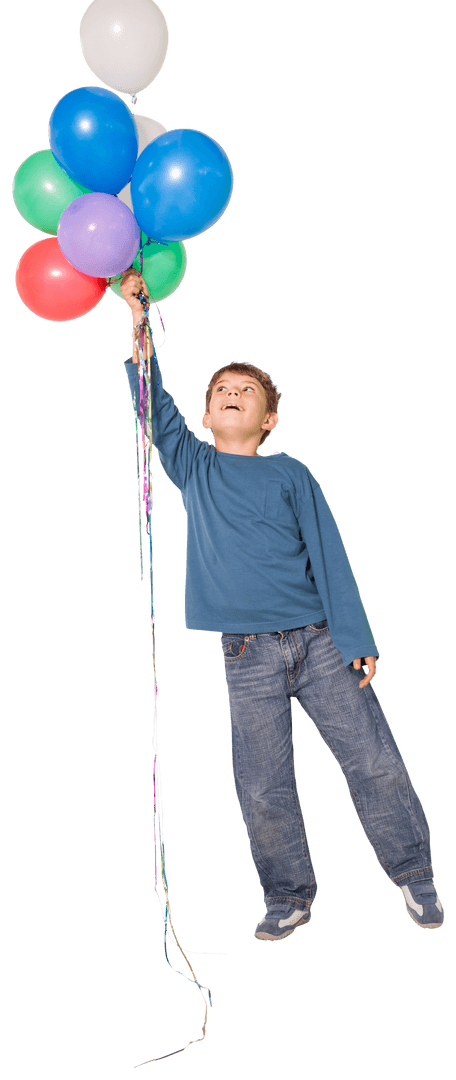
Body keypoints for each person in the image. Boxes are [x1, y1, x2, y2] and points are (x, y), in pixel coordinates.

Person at [120, 268, 444, 939]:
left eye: (247, 392)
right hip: (244, 654)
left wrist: (355, 636)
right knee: (262, 782)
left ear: (268, 419)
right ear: (207, 415)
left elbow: (329, 554)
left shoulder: (291, 472)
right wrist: (138, 326)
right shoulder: (194, 466)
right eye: (221, 391)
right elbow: (153, 409)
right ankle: (287, 893)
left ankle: (416, 875)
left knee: (373, 759)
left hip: (319, 642)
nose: (231, 394)